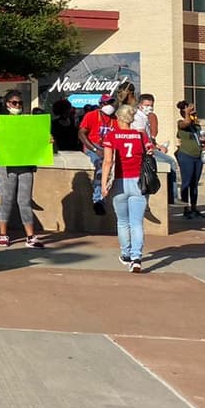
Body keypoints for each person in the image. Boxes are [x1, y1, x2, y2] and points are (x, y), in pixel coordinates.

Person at [101, 103, 152, 273]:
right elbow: (150, 153)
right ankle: (137, 258)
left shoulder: (112, 136)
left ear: (119, 118)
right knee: (137, 222)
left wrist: (103, 184)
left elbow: (108, 161)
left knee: (123, 221)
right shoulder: (141, 135)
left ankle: (126, 254)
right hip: (138, 181)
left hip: (119, 182)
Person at [0, 89, 44, 250]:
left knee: (25, 200)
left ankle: (30, 236)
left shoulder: (28, 122)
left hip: (25, 165)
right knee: (6, 199)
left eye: (20, 103)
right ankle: (2, 234)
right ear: (7, 104)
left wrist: (46, 139)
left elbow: (37, 140)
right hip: (6, 166)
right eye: (14, 102)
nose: (17, 105)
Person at [78, 93, 117, 215]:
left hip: (109, 147)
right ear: (101, 104)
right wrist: (95, 149)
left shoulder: (115, 118)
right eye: (106, 103)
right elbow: (81, 133)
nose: (109, 105)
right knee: (101, 165)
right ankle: (98, 199)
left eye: (111, 102)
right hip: (93, 146)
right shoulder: (91, 115)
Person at [175, 101, 205, 219]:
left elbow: (201, 136)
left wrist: (203, 140)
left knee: (194, 183)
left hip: (197, 157)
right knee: (186, 182)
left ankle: (194, 207)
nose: (194, 113)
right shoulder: (181, 123)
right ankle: (185, 208)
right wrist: (187, 112)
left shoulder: (196, 126)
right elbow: (186, 123)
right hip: (186, 155)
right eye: (191, 111)